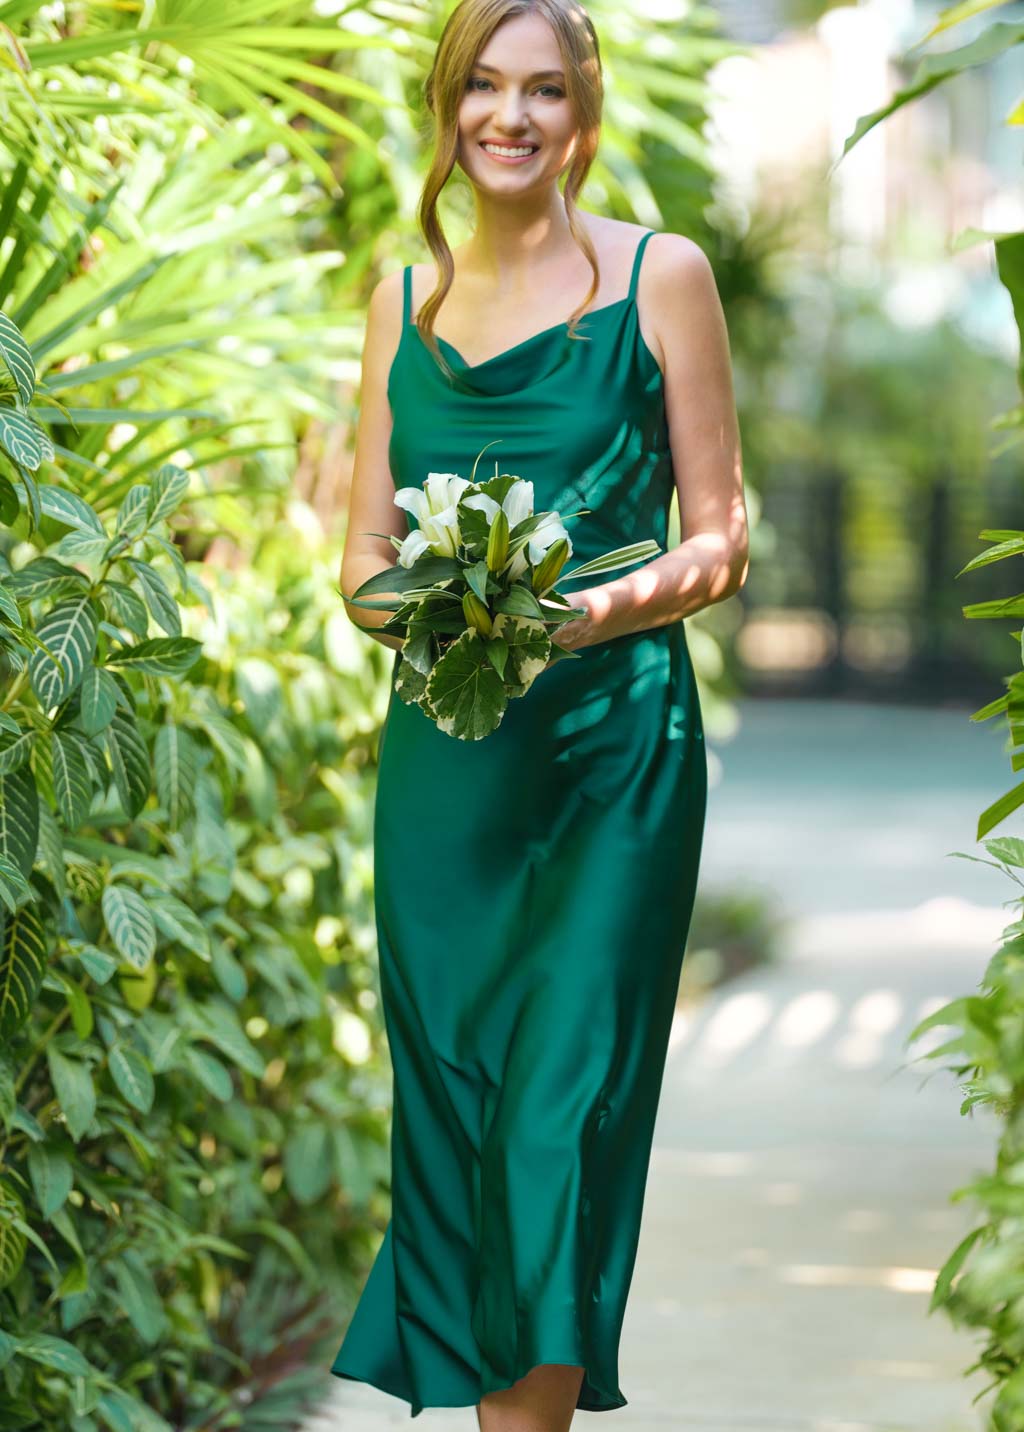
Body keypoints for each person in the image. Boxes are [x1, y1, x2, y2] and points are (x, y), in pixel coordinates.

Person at [333, 0, 748, 1427]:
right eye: (485, 89)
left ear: (585, 111)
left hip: (612, 762)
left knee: (555, 1124)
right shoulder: (401, 298)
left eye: (546, 92)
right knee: (457, 1113)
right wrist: (450, 616)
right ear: (450, 107)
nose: (511, 118)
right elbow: (362, 567)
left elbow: (723, 537)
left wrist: (580, 616)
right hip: (446, 772)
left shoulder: (661, 275)